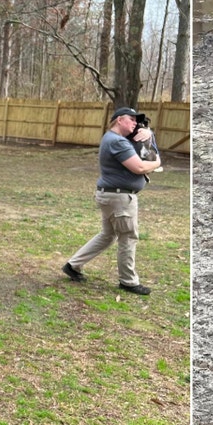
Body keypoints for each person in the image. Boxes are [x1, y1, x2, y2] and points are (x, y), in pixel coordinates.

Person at [61, 106, 163, 295]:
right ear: (119, 120)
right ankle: (128, 281)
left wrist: (149, 134)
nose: (135, 124)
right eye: (131, 120)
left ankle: (73, 265)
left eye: (136, 121)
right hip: (120, 197)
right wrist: (157, 163)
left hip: (111, 194)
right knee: (128, 237)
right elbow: (140, 166)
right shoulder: (117, 141)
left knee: (108, 235)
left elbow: (145, 147)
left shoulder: (116, 139)